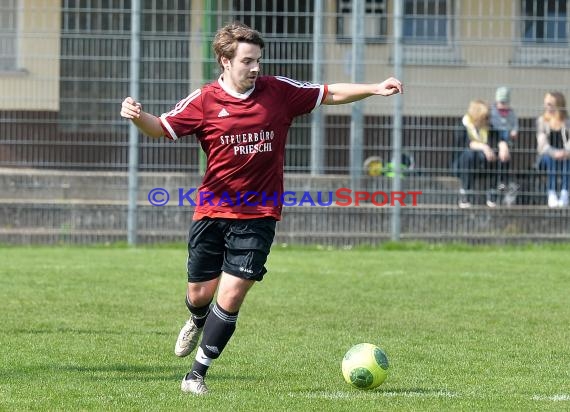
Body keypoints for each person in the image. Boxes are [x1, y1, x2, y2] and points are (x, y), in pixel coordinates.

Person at [120, 21, 403, 395]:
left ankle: (196, 375)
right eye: (247, 61)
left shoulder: (277, 91)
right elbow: (161, 128)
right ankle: (195, 318)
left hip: (259, 215)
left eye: (258, 60)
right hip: (212, 211)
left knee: (233, 294)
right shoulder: (204, 100)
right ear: (224, 60)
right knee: (200, 294)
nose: (255, 68)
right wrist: (138, 115)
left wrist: (373, 89)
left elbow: (329, 93)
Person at [454, 99, 511, 208]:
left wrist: (503, 145)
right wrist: (484, 147)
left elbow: (498, 139)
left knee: (500, 155)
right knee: (469, 154)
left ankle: (494, 191)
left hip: (484, 164)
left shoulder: (488, 127)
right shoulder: (462, 126)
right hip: (465, 165)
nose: (487, 120)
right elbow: (465, 144)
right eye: (485, 117)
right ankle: (465, 193)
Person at [536, 91, 570, 207]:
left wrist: (565, 152)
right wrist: (554, 153)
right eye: (546, 104)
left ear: (558, 104)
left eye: (550, 104)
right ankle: (552, 193)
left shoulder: (567, 122)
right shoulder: (542, 121)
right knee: (550, 159)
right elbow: (542, 144)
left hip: (565, 156)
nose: (547, 107)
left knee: (568, 161)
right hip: (547, 157)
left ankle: (565, 193)